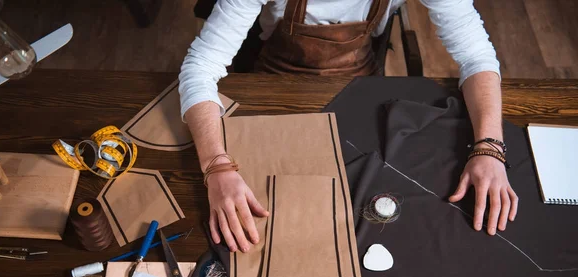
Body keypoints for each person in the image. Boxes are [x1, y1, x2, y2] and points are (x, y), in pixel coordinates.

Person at [180, 0, 519, 253]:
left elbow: (476, 56)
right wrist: (217, 166)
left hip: (362, 87)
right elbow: (200, 67)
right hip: (276, 88)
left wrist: (489, 146)